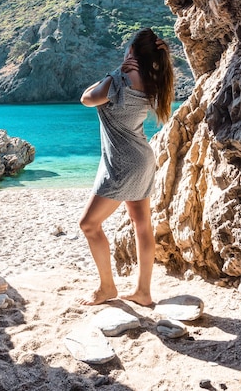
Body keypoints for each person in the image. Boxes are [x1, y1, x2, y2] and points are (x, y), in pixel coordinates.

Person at [78, 27, 174, 306]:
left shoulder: (119, 79)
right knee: (142, 224)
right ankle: (143, 292)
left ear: (131, 51)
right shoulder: (153, 80)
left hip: (122, 164)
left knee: (89, 224)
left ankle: (107, 287)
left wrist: (112, 72)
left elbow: (86, 98)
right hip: (142, 159)